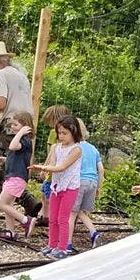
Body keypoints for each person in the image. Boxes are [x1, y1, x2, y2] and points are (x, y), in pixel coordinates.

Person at [0, 41, 40, 226]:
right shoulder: (21, 76)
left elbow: (0, 105)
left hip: (10, 124)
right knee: (11, 167)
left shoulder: (2, 75)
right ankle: (28, 201)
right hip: (26, 124)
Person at [31, 115, 82, 260]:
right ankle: (52, 245)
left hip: (70, 188)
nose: (61, 136)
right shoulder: (55, 147)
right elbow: (53, 164)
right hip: (56, 186)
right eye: (59, 133)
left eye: (65, 133)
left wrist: (42, 167)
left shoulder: (76, 150)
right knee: (52, 217)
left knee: (62, 218)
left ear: (74, 132)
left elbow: (62, 167)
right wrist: (44, 168)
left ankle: (63, 248)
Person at [0, 112, 37, 239]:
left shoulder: (25, 140)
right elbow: (16, 157)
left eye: (16, 125)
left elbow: (13, 146)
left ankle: (25, 220)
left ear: (25, 126)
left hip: (17, 177)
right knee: (8, 205)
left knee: (1, 203)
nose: (13, 127)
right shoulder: (21, 140)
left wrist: (21, 132)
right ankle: (10, 231)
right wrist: (3, 159)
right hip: (12, 176)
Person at [67, 118, 104, 251]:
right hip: (92, 183)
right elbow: (101, 169)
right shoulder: (93, 148)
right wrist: (99, 187)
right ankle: (94, 233)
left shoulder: (75, 148)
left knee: (71, 213)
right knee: (81, 212)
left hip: (79, 182)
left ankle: (67, 243)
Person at [36, 105, 71, 227]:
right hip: (63, 170)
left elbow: (51, 152)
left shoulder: (54, 133)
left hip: (53, 169)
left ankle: (47, 217)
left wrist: (45, 166)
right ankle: (49, 216)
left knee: (47, 192)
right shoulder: (69, 135)